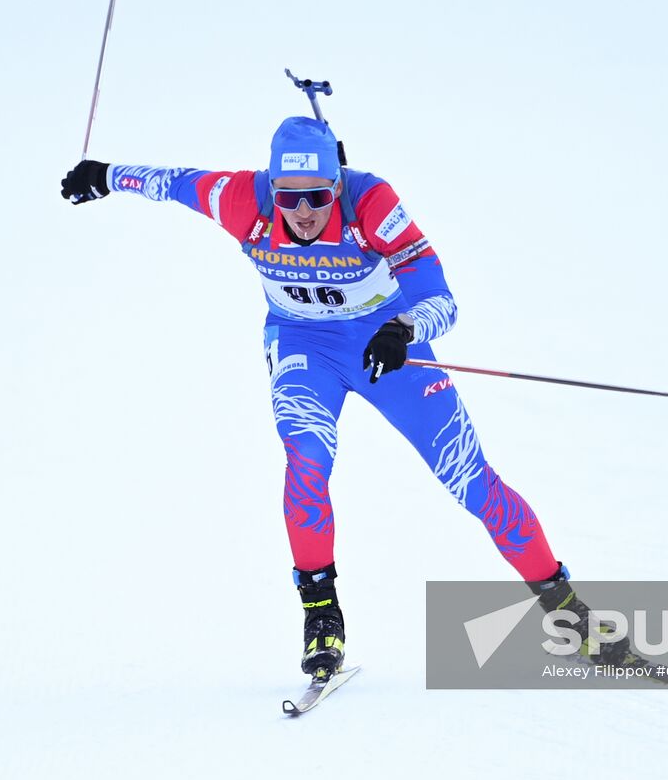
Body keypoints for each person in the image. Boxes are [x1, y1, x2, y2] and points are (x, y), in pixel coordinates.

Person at [60, 117, 626, 678]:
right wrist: (105, 175)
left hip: (384, 345)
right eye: (288, 199)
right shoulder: (240, 199)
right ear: (271, 189)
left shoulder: (372, 202)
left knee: (470, 480)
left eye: (317, 197)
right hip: (305, 346)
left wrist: (405, 328)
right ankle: (321, 616)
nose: (302, 213)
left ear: (338, 184)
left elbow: (442, 298)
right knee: (306, 460)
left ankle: (566, 610)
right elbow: (171, 181)